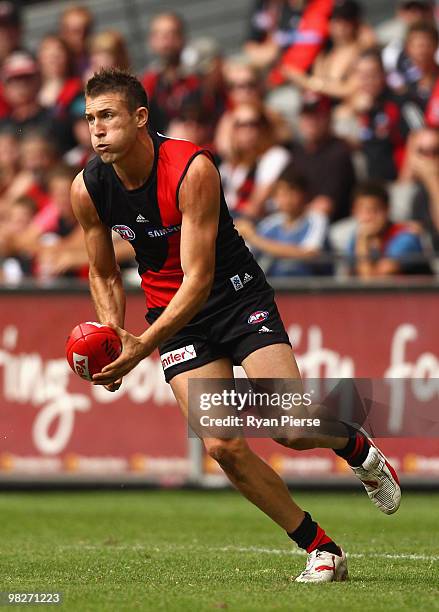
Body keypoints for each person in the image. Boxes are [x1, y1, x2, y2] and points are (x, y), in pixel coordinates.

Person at [71, 68, 401, 583]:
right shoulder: (88, 187)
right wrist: (115, 338)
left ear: (139, 118)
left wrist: (139, 350)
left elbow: (199, 280)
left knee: (289, 428)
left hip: (234, 297)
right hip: (175, 320)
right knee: (222, 444)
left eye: (107, 116)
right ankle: (320, 547)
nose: (96, 129)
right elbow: (103, 271)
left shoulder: (191, 167)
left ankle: (354, 446)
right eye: (90, 118)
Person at [235, 167, 332, 276]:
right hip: (275, 286)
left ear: (304, 194)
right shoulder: (272, 223)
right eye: (281, 193)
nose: (287, 199)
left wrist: (254, 238)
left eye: (292, 192)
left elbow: (310, 254)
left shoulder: (317, 219)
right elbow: (250, 251)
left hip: (311, 288)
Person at [288, 92, 356, 221]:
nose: (311, 122)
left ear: (329, 119)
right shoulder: (297, 152)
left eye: (317, 116)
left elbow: (324, 207)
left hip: (331, 224)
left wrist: (292, 220)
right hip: (301, 220)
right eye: (306, 116)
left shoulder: (338, 152)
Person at [347, 181, 429, 277]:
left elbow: (371, 282)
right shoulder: (355, 239)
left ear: (387, 210)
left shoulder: (406, 238)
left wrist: (362, 240)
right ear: (354, 212)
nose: (368, 217)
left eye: (375, 210)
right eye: (362, 211)